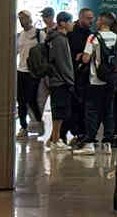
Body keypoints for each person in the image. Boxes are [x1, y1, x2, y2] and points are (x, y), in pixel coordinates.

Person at [79, 11, 117, 155]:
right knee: (109, 111)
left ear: (102, 22)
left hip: (95, 80)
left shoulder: (93, 37)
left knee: (92, 111)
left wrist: (84, 56)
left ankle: (90, 142)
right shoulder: (116, 38)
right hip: (111, 81)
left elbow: (85, 58)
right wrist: (116, 65)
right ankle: (107, 143)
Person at [43, 12, 76, 152]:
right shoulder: (60, 40)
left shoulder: (55, 38)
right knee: (59, 112)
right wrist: (70, 80)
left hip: (57, 80)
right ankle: (55, 140)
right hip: (60, 81)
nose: (72, 24)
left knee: (60, 111)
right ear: (63, 23)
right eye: (70, 21)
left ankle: (53, 138)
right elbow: (63, 63)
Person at [15, 10, 45, 139]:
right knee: (21, 100)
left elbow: (45, 52)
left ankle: (38, 121)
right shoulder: (19, 35)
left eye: (24, 18)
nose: (22, 21)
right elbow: (16, 52)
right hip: (21, 71)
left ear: (30, 18)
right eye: (20, 19)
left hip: (34, 72)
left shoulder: (40, 34)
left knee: (31, 99)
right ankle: (23, 126)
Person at [67, 7, 94, 147]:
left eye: (92, 18)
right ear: (81, 17)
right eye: (88, 18)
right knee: (73, 106)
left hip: (86, 77)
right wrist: (77, 57)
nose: (91, 21)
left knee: (84, 106)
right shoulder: (70, 33)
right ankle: (74, 132)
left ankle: (82, 133)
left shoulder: (91, 35)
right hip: (72, 76)